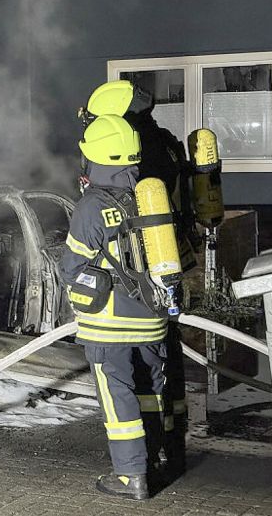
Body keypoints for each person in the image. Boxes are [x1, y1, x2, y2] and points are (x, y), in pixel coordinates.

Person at [84, 80, 190, 482]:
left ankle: (142, 462)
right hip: (170, 268)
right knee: (162, 365)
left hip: (137, 282)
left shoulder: (132, 156)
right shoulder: (163, 142)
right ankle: (169, 447)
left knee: (132, 376)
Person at [61, 113, 168, 500]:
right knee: (149, 391)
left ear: (95, 159)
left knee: (118, 395)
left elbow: (71, 267)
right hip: (153, 320)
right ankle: (155, 458)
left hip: (110, 325)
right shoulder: (149, 195)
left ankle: (129, 475)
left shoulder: (92, 207)